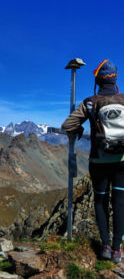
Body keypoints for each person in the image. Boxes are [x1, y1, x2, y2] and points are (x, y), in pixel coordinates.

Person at [62, 59, 124, 263]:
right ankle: (117, 250)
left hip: (99, 160)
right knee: (120, 203)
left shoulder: (90, 102)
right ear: (115, 79)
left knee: (100, 201)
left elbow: (68, 125)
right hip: (122, 160)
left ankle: (105, 247)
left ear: (98, 80)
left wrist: (79, 129)